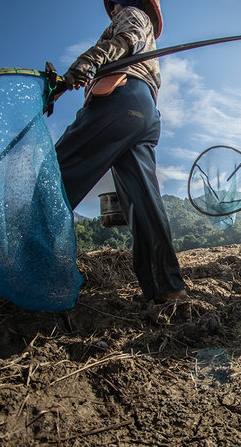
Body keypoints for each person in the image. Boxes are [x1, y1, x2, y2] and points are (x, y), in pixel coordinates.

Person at [55, 0, 187, 303]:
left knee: (58, 170)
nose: (113, 9)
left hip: (121, 99)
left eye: (115, 3)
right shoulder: (144, 27)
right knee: (143, 204)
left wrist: (85, 64)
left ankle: (25, 260)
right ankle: (166, 287)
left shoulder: (132, 14)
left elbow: (123, 41)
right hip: (144, 112)